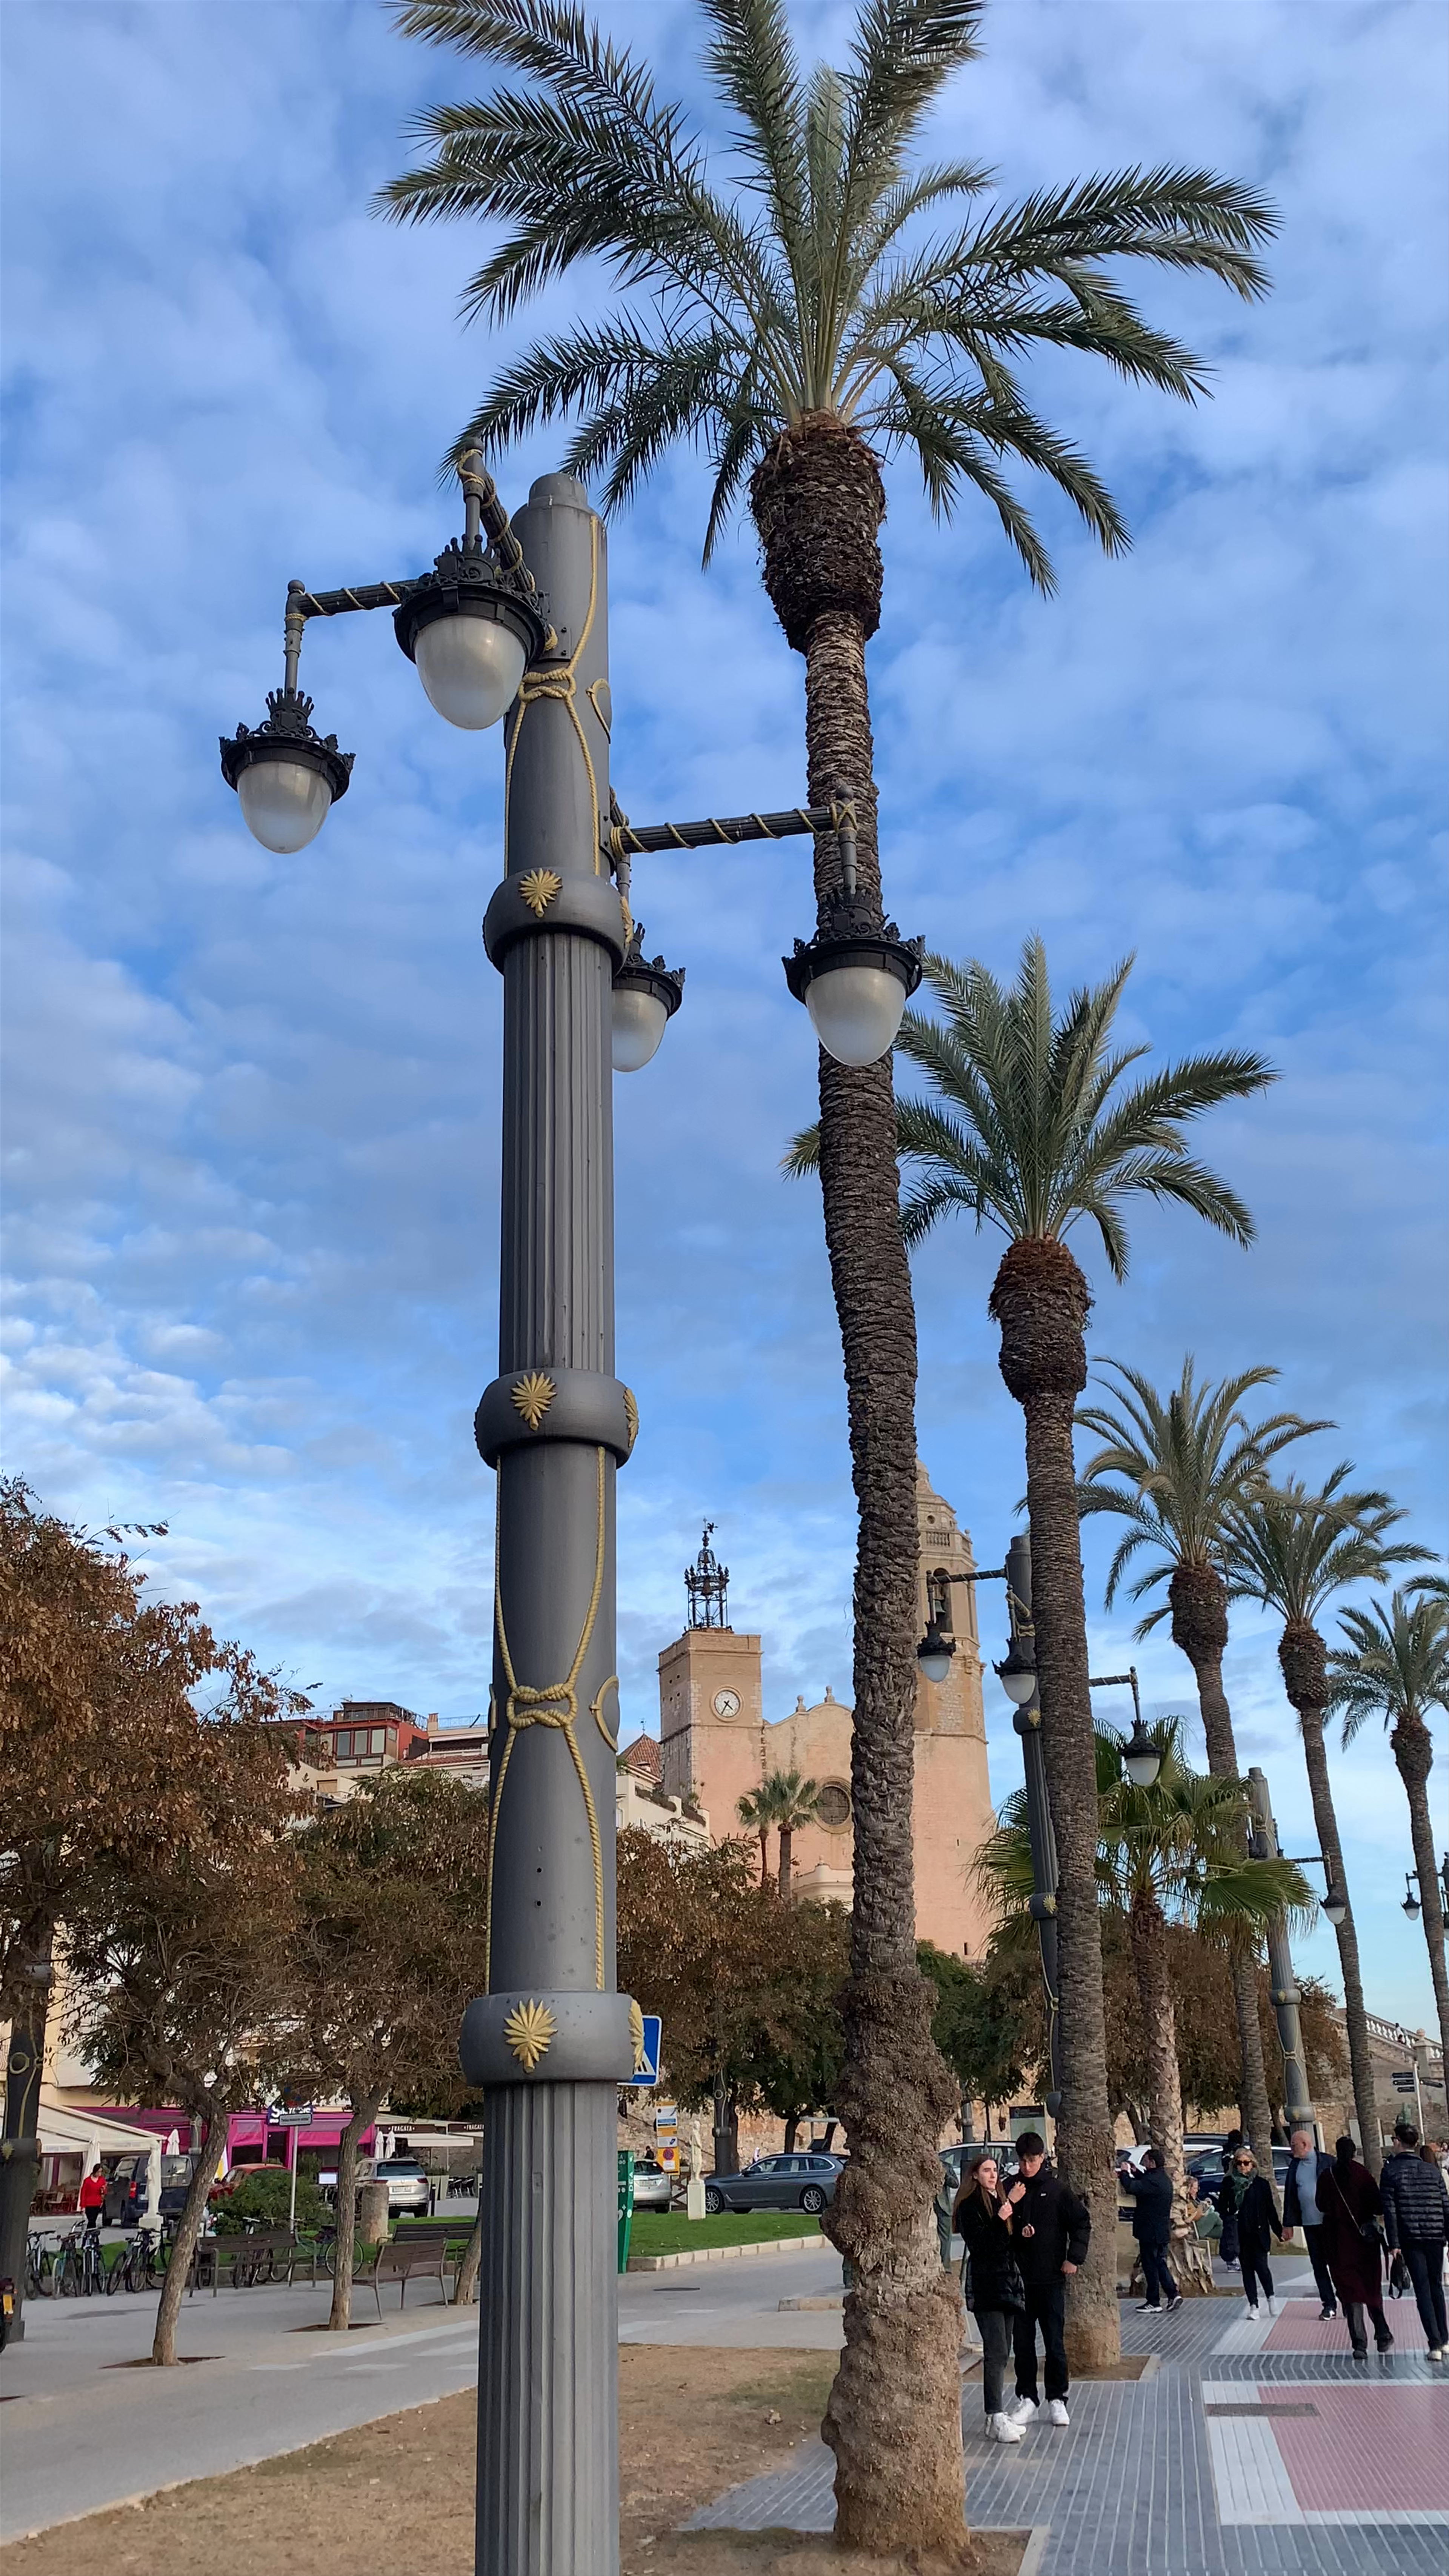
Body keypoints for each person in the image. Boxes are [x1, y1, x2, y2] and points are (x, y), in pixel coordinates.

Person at [998, 2132, 1090, 2430]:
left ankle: (1057, 2398)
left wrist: (1073, 2258)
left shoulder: (1058, 2190)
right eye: (1022, 2161)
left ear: (1042, 2158)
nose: (1027, 2166)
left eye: (1032, 2160)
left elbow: (1081, 2223)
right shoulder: (1009, 2188)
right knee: (1023, 2344)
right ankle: (1028, 2398)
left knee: (1054, 2342)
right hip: (1019, 2281)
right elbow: (998, 2228)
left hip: (1050, 2279)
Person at [953, 2153, 1026, 2444]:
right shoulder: (971, 2206)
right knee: (995, 2351)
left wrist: (1019, 2229)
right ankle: (995, 2413)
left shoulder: (998, 2201)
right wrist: (1003, 2215)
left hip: (1007, 2281)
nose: (993, 2175)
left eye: (995, 2170)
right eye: (986, 2170)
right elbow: (982, 2244)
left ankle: (994, 2416)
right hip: (988, 2284)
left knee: (1004, 2349)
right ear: (974, 2175)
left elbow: (1006, 2241)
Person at [1378, 2122, 1449, 2359]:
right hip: (1435, 2236)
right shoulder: (1432, 2170)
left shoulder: (1391, 2172)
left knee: (1423, 2290)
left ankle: (1435, 2343)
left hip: (1411, 2238)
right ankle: (1446, 2339)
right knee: (1436, 2286)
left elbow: (1390, 2211)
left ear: (1398, 2141)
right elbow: (1446, 2205)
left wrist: (1394, 2244)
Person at [1318, 2135, 1392, 2357]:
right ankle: (1383, 2333)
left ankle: (1359, 2344)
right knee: (1370, 2289)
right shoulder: (1362, 2175)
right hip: (1364, 2243)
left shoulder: (1326, 2177)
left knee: (1350, 2293)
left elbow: (1320, 2204)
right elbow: (1378, 2207)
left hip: (1337, 2243)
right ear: (1353, 2152)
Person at [1283, 2126, 1338, 2320]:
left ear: (1305, 2145)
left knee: (1336, 2264)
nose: (1291, 2149)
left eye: (1294, 2146)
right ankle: (1329, 2304)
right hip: (1310, 2225)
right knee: (1318, 2266)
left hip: (1330, 2224)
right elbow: (1290, 2197)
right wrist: (1288, 2224)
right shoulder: (1295, 2167)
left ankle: (1347, 2300)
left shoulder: (1328, 2162)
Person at [1121, 2147, 1183, 2314]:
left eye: (1146, 2161)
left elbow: (1132, 2188)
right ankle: (1172, 2294)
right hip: (1161, 2231)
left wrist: (1126, 2174)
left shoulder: (1153, 2181)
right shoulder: (1162, 2179)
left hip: (1150, 2232)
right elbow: (1145, 2184)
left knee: (1151, 2266)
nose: (1144, 2163)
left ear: (1153, 2163)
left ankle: (1155, 2301)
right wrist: (1137, 2172)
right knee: (1160, 2263)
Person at [1230, 2148, 1285, 2319]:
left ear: (1253, 2164)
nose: (1243, 2167)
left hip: (1259, 2233)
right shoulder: (1230, 2184)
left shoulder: (1261, 2184)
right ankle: (1254, 2306)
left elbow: (1270, 2210)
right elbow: (1225, 2208)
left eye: (1246, 2163)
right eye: (1239, 2163)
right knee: (1247, 2270)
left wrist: (1279, 2231)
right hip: (1242, 2234)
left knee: (1262, 2268)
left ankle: (1271, 2298)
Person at [1217, 2131, 1245, 2271]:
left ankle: (1233, 2257)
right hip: (1235, 2194)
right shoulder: (1238, 2153)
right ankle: (1233, 2257)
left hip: (1229, 2193)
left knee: (1231, 2227)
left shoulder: (1226, 2152)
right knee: (1234, 2227)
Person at [78, 2162, 107, 2235]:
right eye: (98, 2172)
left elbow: (105, 2192)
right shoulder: (87, 2181)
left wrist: (104, 2190)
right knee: (91, 2221)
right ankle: (92, 2236)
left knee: (93, 2220)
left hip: (97, 2203)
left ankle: (90, 2236)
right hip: (89, 2204)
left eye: (101, 2172)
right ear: (95, 2171)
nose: (100, 2174)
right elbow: (83, 2193)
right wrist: (83, 2206)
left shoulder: (102, 2180)